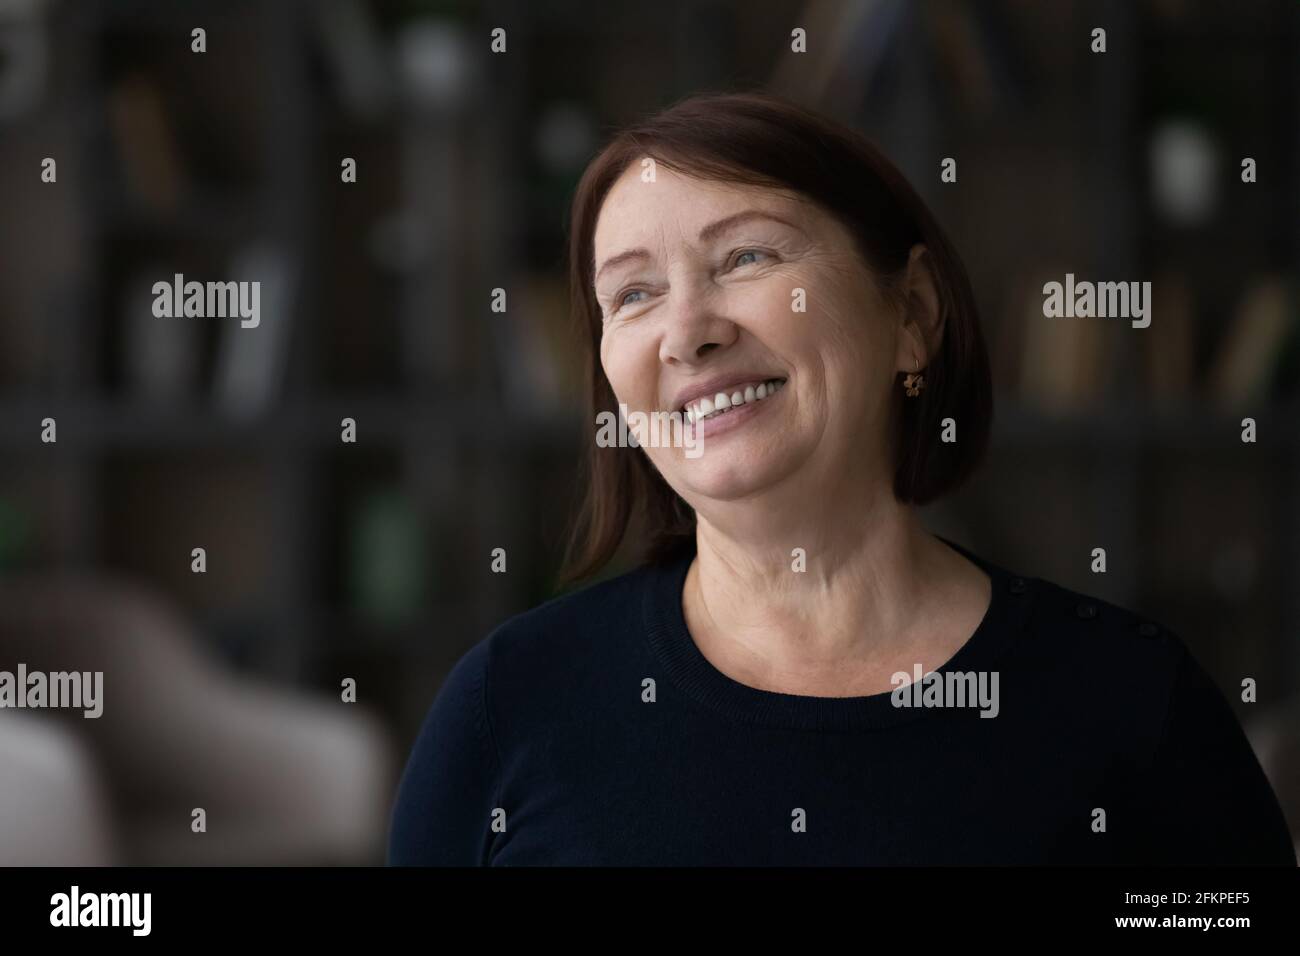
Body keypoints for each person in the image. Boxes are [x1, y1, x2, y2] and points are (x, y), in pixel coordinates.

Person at [388, 90, 1296, 866]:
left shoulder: (1132, 702)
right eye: (632, 293)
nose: (687, 330)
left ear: (911, 313)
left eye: (747, 257)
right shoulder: (505, 707)